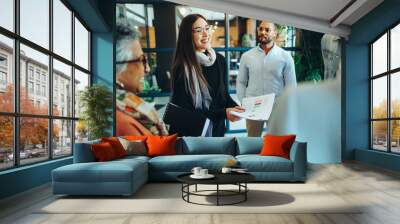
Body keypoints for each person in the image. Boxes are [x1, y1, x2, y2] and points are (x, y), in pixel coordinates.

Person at [170, 14, 244, 137]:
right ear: (187, 35)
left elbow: (223, 96)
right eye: (199, 30)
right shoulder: (182, 68)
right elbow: (186, 113)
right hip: (192, 135)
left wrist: (238, 108)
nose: (205, 34)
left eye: (207, 28)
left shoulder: (219, 60)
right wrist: (224, 113)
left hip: (217, 131)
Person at [237, 20, 297, 137]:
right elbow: (241, 82)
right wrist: (244, 102)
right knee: (252, 143)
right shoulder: (247, 56)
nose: (263, 32)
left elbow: (291, 86)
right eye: (261, 29)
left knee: (276, 142)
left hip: (276, 108)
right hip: (253, 107)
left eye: (267, 30)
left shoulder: (285, 56)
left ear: (274, 33)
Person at [115, 20, 168, 136]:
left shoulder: (131, 109)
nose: (147, 69)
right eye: (142, 60)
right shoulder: (122, 124)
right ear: (118, 66)